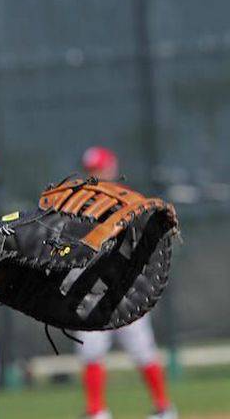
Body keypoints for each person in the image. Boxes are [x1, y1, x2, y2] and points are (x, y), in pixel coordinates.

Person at [76, 147, 177, 419]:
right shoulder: (78, 206)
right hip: (92, 291)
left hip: (126, 289)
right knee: (91, 352)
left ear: (112, 167)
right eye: (91, 171)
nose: (95, 175)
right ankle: (96, 412)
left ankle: (164, 408)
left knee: (143, 350)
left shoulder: (130, 202)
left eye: (100, 169)